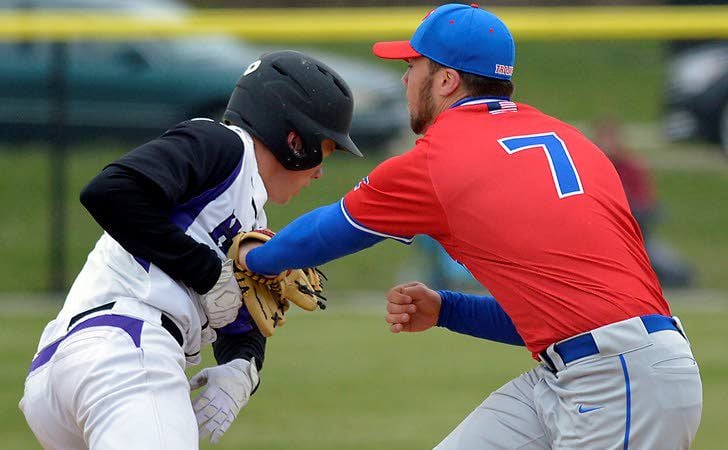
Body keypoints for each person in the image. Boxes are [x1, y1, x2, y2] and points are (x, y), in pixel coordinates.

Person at [233, 4, 703, 449]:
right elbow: (557, 319)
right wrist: (446, 309)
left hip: (617, 383)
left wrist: (251, 258)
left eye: (414, 66)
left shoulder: (441, 158)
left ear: (446, 81)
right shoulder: (568, 139)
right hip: (588, 371)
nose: (404, 77)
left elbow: (329, 230)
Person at [19, 50, 362, 449]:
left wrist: (243, 367)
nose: (321, 170)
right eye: (324, 149)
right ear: (294, 139)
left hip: (74, 368)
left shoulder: (250, 218)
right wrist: (205, 271)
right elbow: (110, 192)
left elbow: (239, 314)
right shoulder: (224, 145)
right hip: (125, 349)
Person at [593, 118, 694, 288]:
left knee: (675, 271)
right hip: (601, 232)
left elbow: (645, 201)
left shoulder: (631, 168)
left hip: (635, 231)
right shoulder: (593, 166)